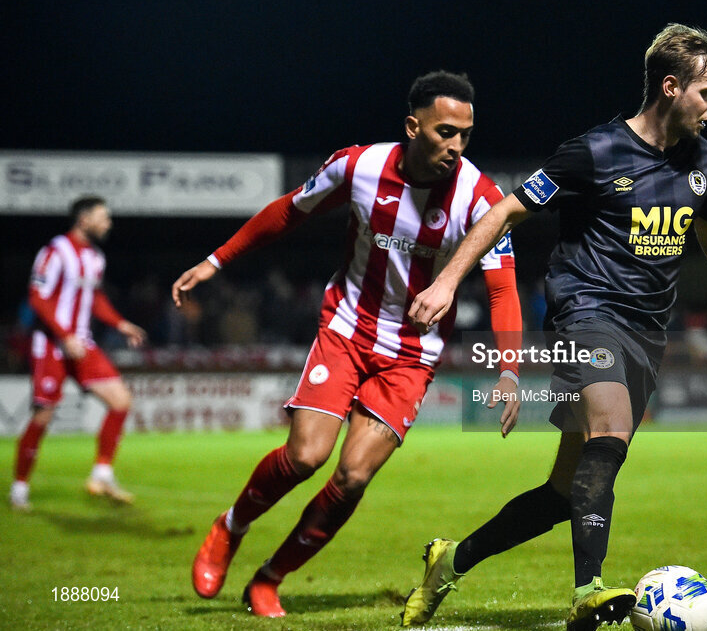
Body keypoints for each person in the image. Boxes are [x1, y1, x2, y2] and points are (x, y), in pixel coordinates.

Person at [403, 24, 707, 631]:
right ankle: (589, 588)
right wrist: (448, 281)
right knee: (613, 429)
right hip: (586, 313)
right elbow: (506, 209)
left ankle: (450, 561)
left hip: (646, 333)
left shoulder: (704, 162)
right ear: (670, 87)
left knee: (563, 493)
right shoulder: (594, 152)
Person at [171, 71, 523, 618]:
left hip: (412, 353)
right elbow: (288, 210)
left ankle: (270, 578)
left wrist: (509, 371)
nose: (456, 147)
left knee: (354, 474)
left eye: (465, 135)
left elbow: (503, 289)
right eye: (445, 132)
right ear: (413, 126)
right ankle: (231, 525)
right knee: (306, 455)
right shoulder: (358, 166)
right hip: (347, 329)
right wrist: (216, 261)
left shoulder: (482, 199)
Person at [9, 196, 147, 511]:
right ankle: (19, 488)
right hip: (52, 346)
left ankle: (102, 473)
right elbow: (38, 297)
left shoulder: (95, 257)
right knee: (43, 416)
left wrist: (120, 323)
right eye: (103, 217)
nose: (108, 223)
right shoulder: (55, 251)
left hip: (82, 345)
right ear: (84, 219)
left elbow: (93, 298)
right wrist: (64, 335)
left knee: (121, 400)